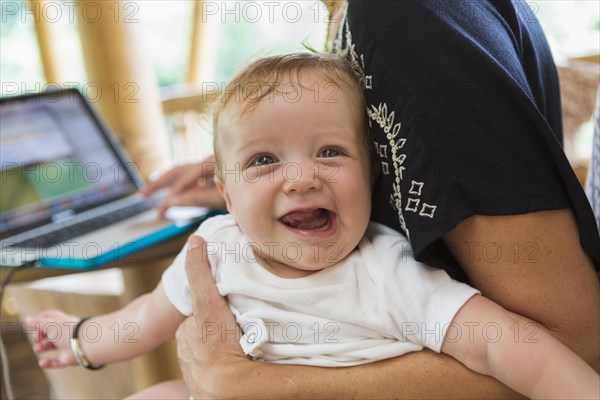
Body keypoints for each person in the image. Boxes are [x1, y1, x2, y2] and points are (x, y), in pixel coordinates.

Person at [28, 52, 599, 400]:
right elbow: (145, 320)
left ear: (370, 177)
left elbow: (511, 350)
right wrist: (80, 339)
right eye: (263, 161)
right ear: (225, 194)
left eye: (329, 151)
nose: (301, 178)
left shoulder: (388, 270)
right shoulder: (215, 252)